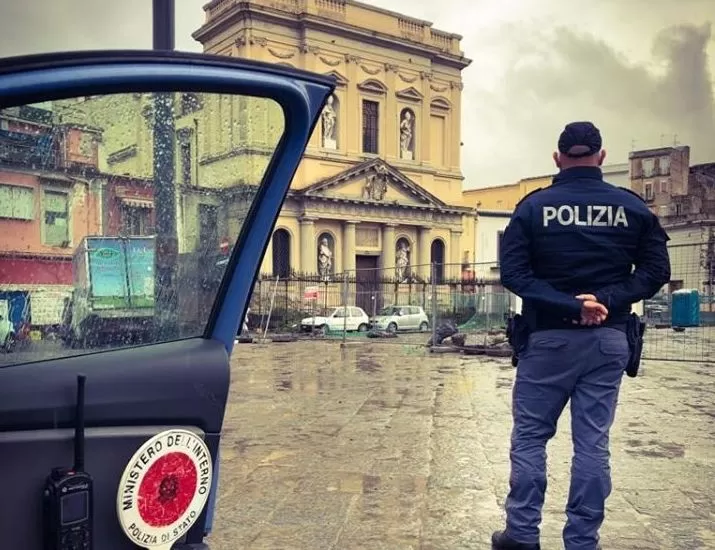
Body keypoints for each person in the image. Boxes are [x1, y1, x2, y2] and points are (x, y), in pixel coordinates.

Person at [491, 121, 671, 550]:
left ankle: (520, 534)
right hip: (609, 339)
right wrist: (606, 299)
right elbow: (656, 271)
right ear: (602, 157)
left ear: (557, 158)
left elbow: (515, 274)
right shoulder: (632, 207)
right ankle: (583, 541)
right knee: (593, 444)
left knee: (531, 436)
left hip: (549, 338)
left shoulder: (533, 208)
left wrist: (573, 305)